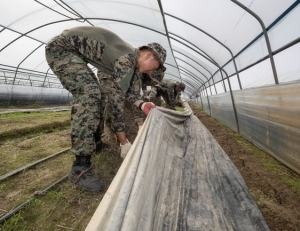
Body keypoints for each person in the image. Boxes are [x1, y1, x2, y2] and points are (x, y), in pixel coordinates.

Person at [45, 26, 166, 192]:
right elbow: (116, 104)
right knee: (90, 94)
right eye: (156, 66)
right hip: (61, 50)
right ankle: (80, 167)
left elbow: (129, 93)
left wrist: (143, 105)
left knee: (99, 95)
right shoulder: (126, 60)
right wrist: (123, 142)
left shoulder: (131, 61)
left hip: (75, 54)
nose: (154, 71)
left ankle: (95, 142)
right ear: (149, 56)